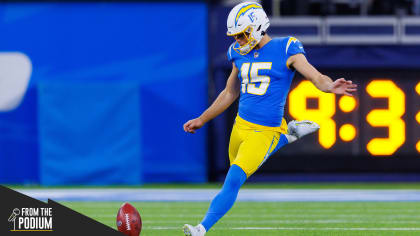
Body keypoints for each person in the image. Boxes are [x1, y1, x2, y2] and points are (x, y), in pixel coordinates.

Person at [182, 2, 357, 235]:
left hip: (265, 131)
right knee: (234, 171)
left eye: (242, 34)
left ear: (257, 27)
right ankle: (287, 136)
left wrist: (329, 86)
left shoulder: (286, 48)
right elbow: (229, 92)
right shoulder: (236, 52)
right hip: (240, 127)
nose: (239, 40)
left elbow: (315, 76)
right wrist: (202, 119)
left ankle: (201, 228)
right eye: (236, 36)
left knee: (233, 179)